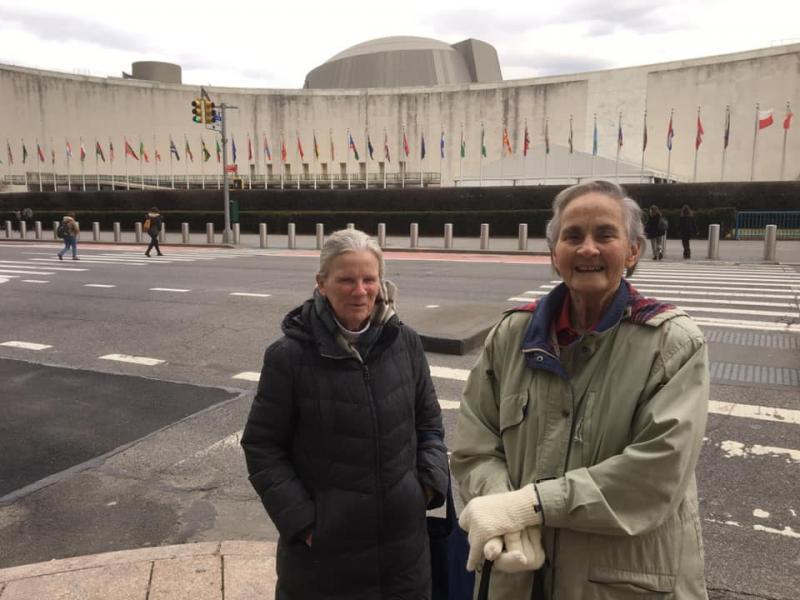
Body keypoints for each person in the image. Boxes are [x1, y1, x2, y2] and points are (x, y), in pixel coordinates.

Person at [452, 180, 709, 599]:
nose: (588, 248)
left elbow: (657, 472)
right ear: (554, 255)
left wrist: (532, 505)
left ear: (633, 251)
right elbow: (474, 444)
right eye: (572, 236)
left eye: (605, 234)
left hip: (619, 586)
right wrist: (504, 511)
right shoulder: (511, 335)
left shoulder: (672, 343)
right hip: (518, 577)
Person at [241, 228, 449, 600]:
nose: (360, 291)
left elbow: (429, 422)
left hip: (405, 554)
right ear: (321, 284)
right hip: (324, 560)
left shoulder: (406, 343)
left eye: (369, 279)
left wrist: (426, 489)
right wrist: (303, 523)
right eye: (346, 280)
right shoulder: (288, 357)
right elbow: (262, 446)